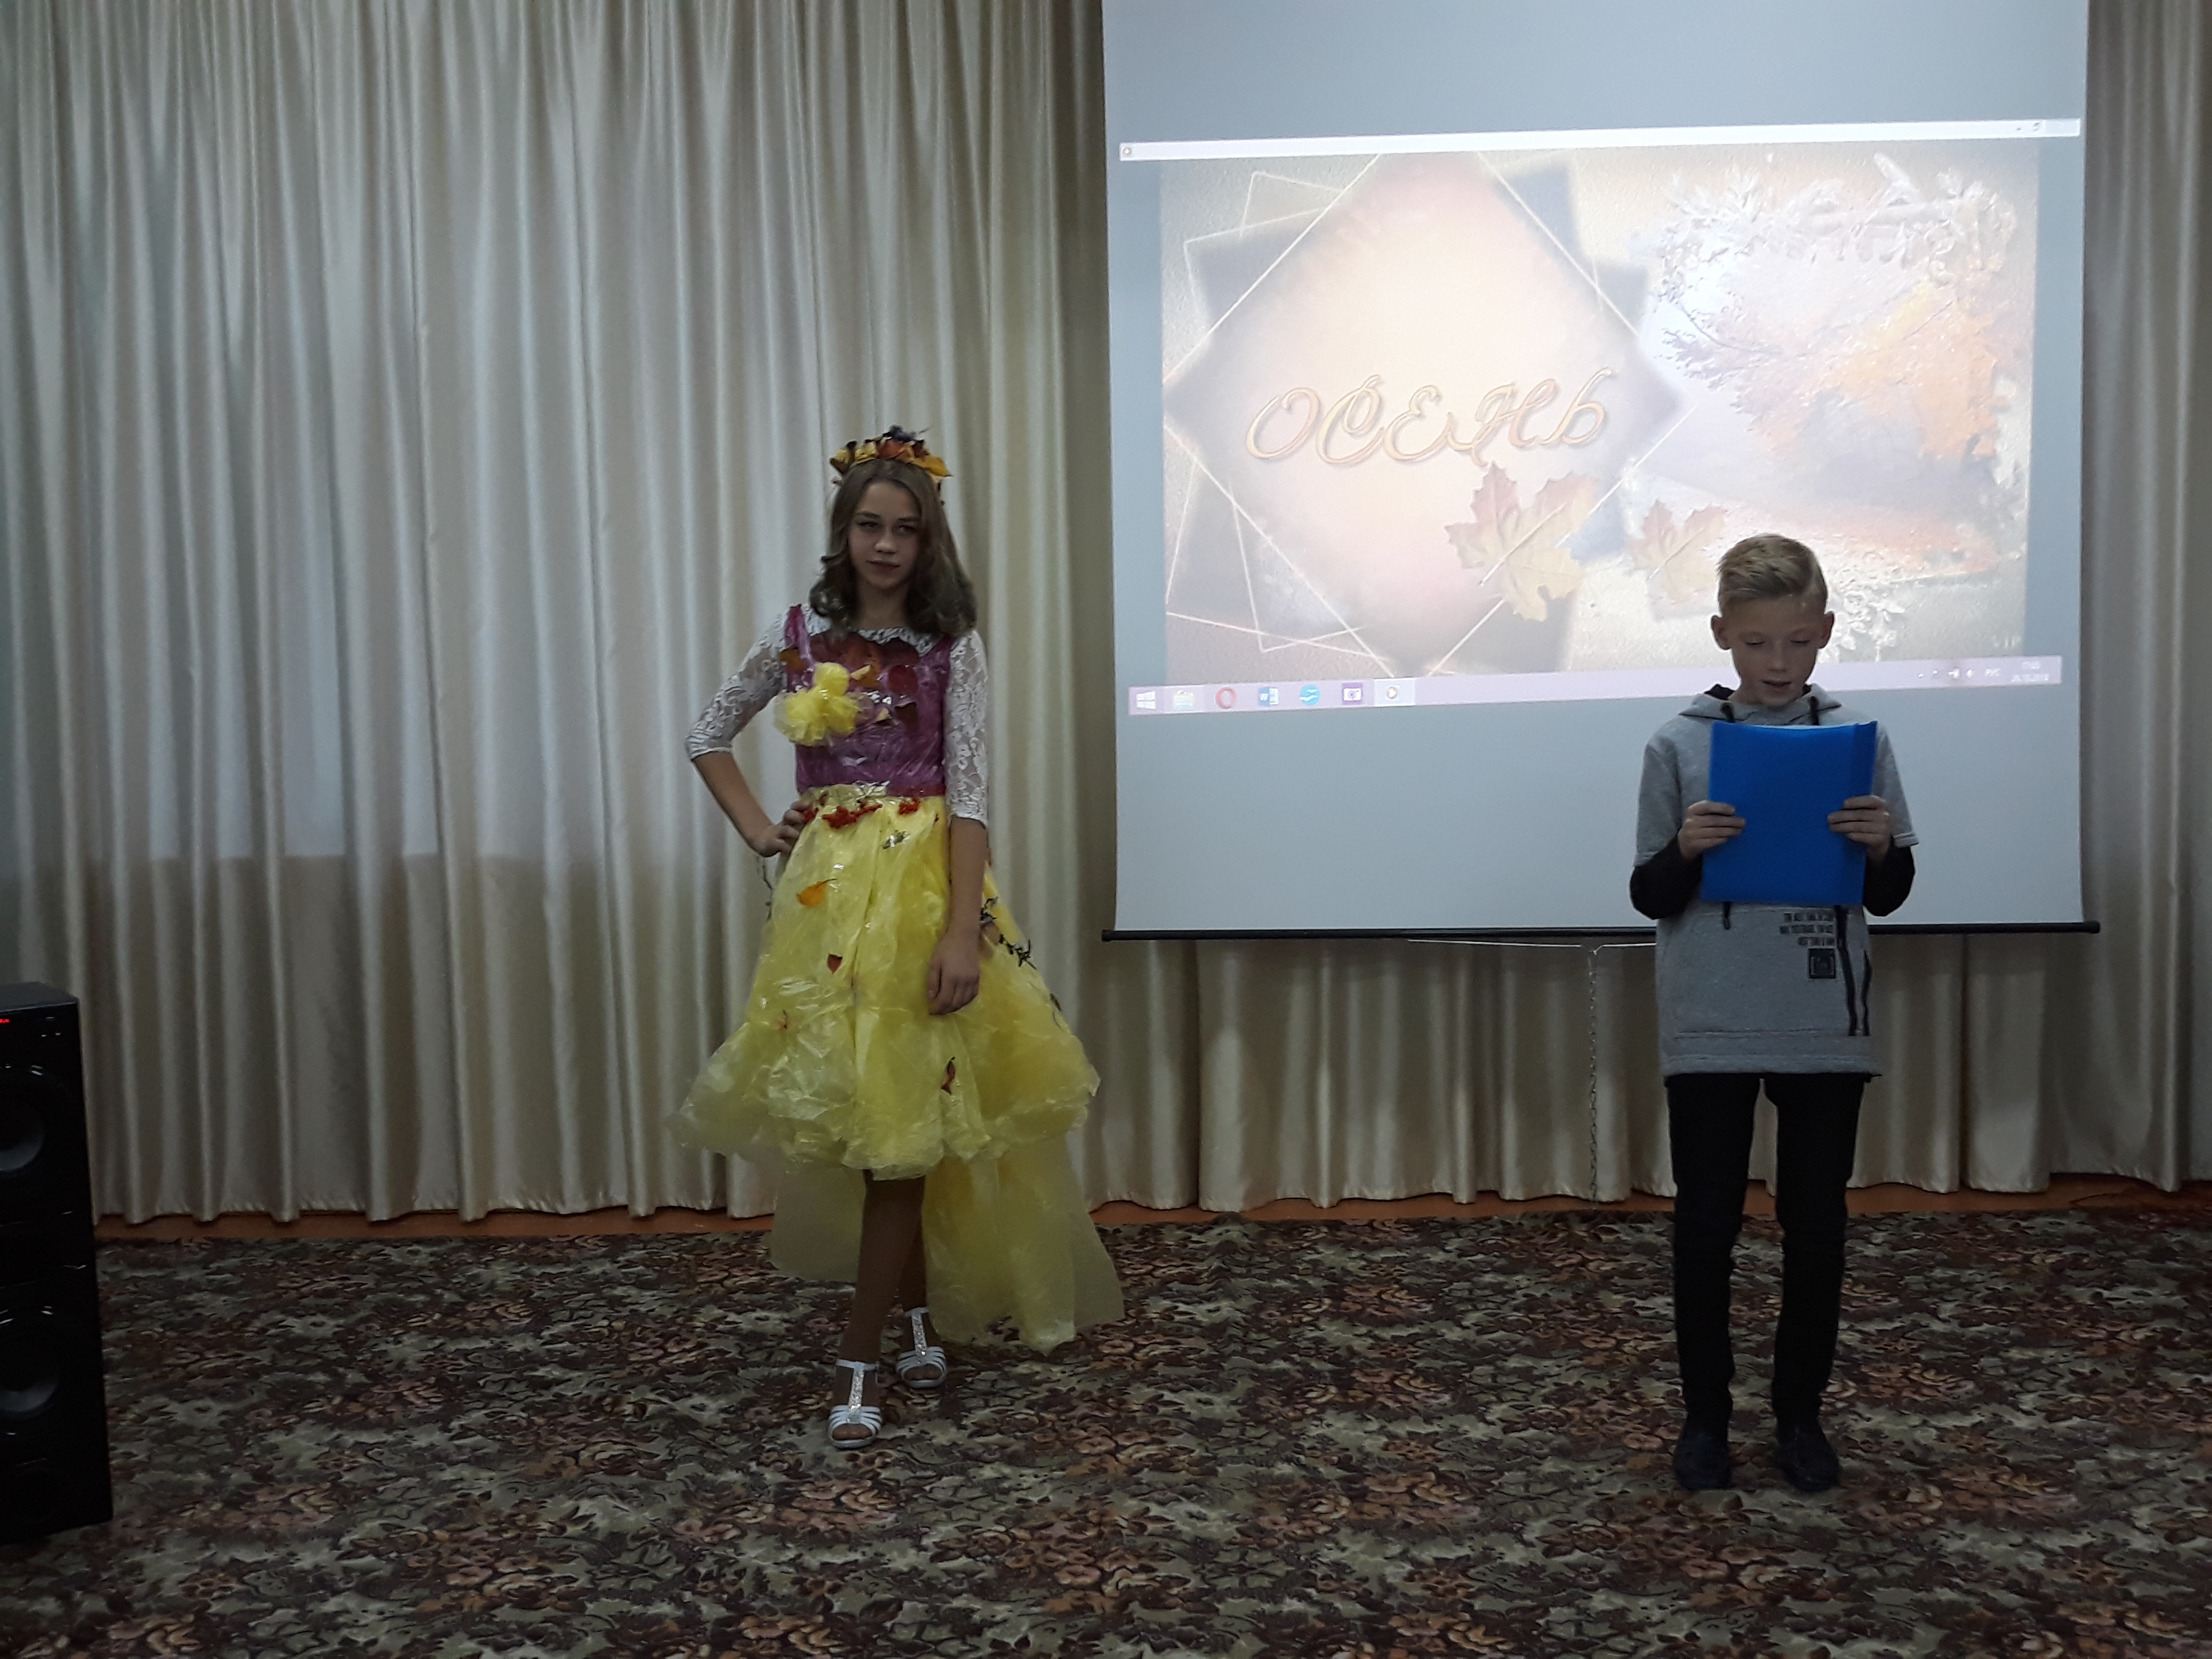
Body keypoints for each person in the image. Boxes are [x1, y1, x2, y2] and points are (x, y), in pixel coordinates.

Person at [671, 427, 1122, 1450]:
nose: (885, 546)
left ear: (929, 541)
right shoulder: (798, 635)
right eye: (869, 526)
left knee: (906, 1109)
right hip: (828, 902)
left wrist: (962, 932)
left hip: (921, 889)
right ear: (843, 531)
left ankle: (861, 1354)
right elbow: (707, 734)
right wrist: (761, 831)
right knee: (877, 1116)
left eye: (905, 530)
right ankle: (911, 1317)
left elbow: (972, 797)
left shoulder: (954, 645)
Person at [1628, 534, 1918, 1494]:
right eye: (1757, 643)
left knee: (1816, 1226)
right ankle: (1705, 1421)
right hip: (1710, 1017)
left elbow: (1891, 894)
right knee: (1706, 1226)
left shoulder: (1860, 738)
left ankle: (1801, 1417)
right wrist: (1686, 848)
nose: (1779, 662)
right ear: (1722, 635)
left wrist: (1879, 847)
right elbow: (1648, 895)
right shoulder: (1677, 742)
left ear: (1826, 631)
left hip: (1822, 1019)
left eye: (1797, 641)